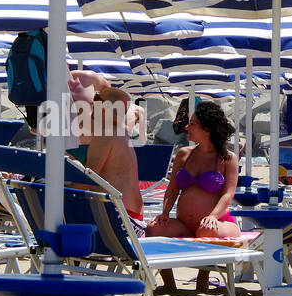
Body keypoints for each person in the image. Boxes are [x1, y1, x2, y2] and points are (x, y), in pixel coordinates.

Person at [148, 100, 241, 239]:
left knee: (206, 231)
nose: (186, 127)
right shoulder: (183, 154)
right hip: (183, 224)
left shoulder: (227, 158)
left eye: (192, 124)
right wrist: (165, 213)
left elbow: (228, 194)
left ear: (207, 129)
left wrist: (213, 216)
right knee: (153, 229)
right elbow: (172, 189)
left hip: (217, 222)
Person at [67, 70, 144, 232]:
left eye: (96, 99)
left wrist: (56, 196)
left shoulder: (106, 134)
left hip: (119, 219)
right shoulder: (120, 131)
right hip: (132, 216)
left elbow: (89, 179)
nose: (92, 102)